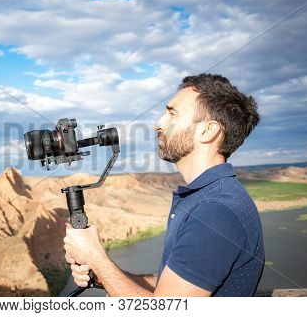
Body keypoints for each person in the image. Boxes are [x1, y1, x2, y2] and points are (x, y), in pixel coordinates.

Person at [63, 73, 265, 297]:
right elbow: (174, 285)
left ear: (208, 131)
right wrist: (103, 275)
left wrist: (96, 257)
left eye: (172, 114)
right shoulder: (205, 196)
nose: (159, 124)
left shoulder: (215, 212)